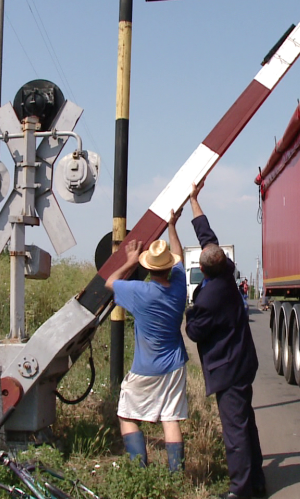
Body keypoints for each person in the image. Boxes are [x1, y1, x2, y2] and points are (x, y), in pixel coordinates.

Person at [184, 181, 266, 499]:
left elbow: (193, 331)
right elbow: (208, 236)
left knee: (234, 432)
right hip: (243, 362)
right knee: (246, 424)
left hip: (229, 369)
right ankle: (255, 482)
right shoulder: (226, 272)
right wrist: (194, 200)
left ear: (203, 270)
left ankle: (241, 491)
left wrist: (189, 308)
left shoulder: (208, 299)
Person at [105, 211, 188, 472]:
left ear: (148, 268)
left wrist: (129, 260)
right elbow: (179, 258)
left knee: (127, 416)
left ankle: (140, 472)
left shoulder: (139, 292)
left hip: (145, 368)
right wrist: (172, 227)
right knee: (170, 418)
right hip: (175, 365)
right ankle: (176, 476)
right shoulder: (178, 288)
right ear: (168, 267)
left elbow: (110, 282)